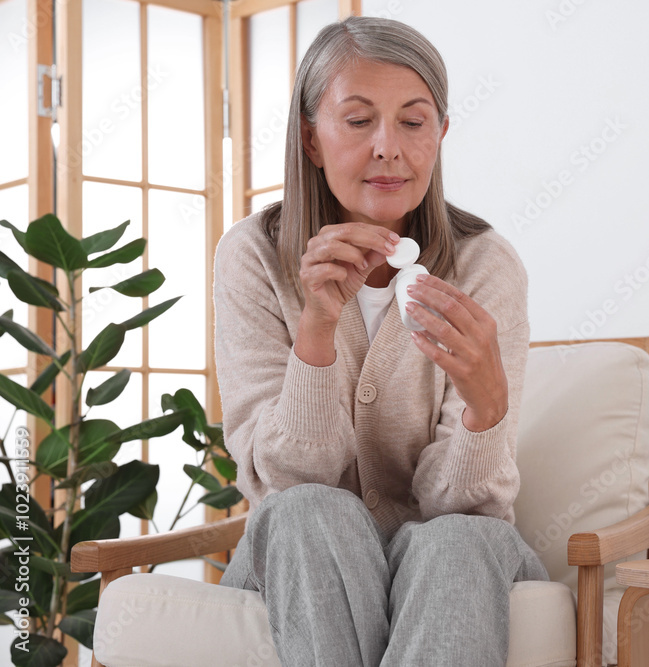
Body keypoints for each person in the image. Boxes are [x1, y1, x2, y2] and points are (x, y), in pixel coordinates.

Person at [213, 15, 547, 667]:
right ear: (311, 138)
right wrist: (315, 331)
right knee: (310, 511)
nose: (389, 147)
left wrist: (485, 412)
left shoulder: (485, 267)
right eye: (359, 120)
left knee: (456, 539)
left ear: (441, 135)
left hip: (457, 557)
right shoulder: (252, 256)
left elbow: (464, 508)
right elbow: (286, 485)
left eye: (414, 122)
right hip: (305, 553)